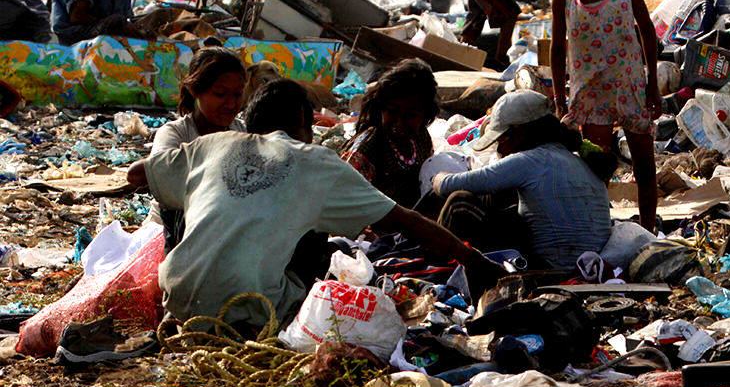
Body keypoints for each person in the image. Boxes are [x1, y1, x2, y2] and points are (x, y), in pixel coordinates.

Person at [126, 79, 504, 331]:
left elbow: (136, 175)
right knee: (321, 238)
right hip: (251, 311)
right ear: (303, 124)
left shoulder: (210, 145)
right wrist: (473, 260)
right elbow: (406, 222)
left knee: (173, 194)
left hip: (175, 297)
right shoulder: (316, 161)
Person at [550, 0, 661, 232]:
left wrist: (652, 83)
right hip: (590, 96)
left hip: (630, 88)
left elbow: (647, 34)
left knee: (645, 169)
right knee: (596, 170)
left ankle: (649, 230)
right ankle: (600, 229)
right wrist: (560, 99)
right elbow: (558, 52)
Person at [433, 90, 616, 271]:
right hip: (592, 267)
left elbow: (447, 186)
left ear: (519, 134)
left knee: (459, 203)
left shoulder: (529, 161)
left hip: (551, 268)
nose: (500, 151)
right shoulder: (578, 161)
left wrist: (436, 177)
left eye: (501, 141)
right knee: (500, 194)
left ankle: (432, 266)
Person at [147, 47, 246, 252]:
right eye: (220, 94)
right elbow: (161, 177)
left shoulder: (244, 132)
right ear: (195, 91)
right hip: (172, 234)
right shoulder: (175, 133)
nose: (231, 104)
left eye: (237, 94)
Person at [341, 59, 437, 209]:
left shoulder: (421, 138)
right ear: (381, 108)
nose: (399, 122)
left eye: (411, 115)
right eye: (392, 112)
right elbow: (343, 199)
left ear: (425, 115)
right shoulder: (369, 147)